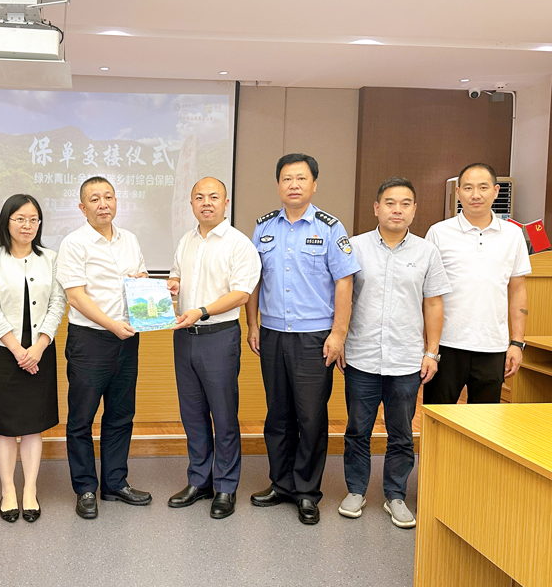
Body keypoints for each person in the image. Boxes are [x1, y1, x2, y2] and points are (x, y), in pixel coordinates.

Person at [246, 153, 360, 525]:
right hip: (273, 334)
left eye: (301, 178)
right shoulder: (264, 227)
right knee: (277, 414)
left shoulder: (331, 228)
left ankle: (307, 491)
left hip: (314, 337)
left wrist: (338, 334)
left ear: (314, 184)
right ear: (278, 184)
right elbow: (254, 281)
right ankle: (281, 484)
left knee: (310, 416)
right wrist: (252, 324)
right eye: (286, 178)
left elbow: (345, 282)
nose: (293, 185)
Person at [338, 177, 450, 528]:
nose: (396, 210)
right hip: (361, 356)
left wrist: (432, 352)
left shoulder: (426, 252)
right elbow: (340, 299)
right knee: (357, 429)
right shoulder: (354, 247)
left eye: (404, 203)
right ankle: (356, 490)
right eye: (389, 203)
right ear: (376, 208)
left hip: (406, 359)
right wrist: (338, 339)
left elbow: (433, 304)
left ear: (414, 209)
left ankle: (395, 495)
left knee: (401, 433)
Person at [56, 176, 151, 519]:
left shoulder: (130, 240)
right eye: (94, 199)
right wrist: (112, 325)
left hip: (128, 338)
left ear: (116, 202)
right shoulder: (74, 243)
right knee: (81, 418)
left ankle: (115, 483)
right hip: (90, 340)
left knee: (121, 414)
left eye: (108, 197)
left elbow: (140, 279)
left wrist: (145, 288)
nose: (103, 204)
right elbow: (75, 296)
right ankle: (85, 488)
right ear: (83, 208)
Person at [166, 177, 261, 519]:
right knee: (192, 414)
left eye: (213, 197)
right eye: (199, 197)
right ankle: (199, 480)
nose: (206, 203)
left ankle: (225, 486)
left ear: (226, 202)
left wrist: (202, 310)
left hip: (219, 336)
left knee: (223, 415)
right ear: (191, 203)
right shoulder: (186, 240)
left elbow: (241, 294)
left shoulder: (239, 244)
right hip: (184, 338)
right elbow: (177, 276)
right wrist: (173, 286)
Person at [0, 194, 66, 523]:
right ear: (7, 221)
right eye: (20, 219)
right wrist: (17, 349)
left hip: (40, 350)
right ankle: (7, 490)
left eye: (33, 219)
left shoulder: (51, 258)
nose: (27, 225)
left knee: (32, 426)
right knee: (3, 427)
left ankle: (30, 489)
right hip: (2, 351)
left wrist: (39, 346)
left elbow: (58, 303)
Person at [424, 163, 531, 405]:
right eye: (468, 188)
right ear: (458, 192)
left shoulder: (512, 235)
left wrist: (517, 342)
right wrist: (428, 346)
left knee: (485, 420)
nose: (475, 194)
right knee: (438, 417)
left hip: (493, 346)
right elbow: (427, 294)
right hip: (446, 344)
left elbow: (518, 290)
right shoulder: (439, 233)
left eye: (483, 187)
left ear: (495, 191)